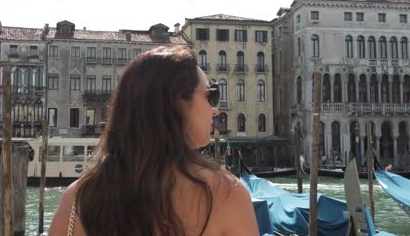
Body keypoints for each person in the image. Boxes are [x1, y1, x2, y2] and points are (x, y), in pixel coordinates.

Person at [49, 46, 259, 236]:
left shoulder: (77, 199)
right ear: (176, 103)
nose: (215, 109)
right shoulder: (226, 195)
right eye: (211, 95)